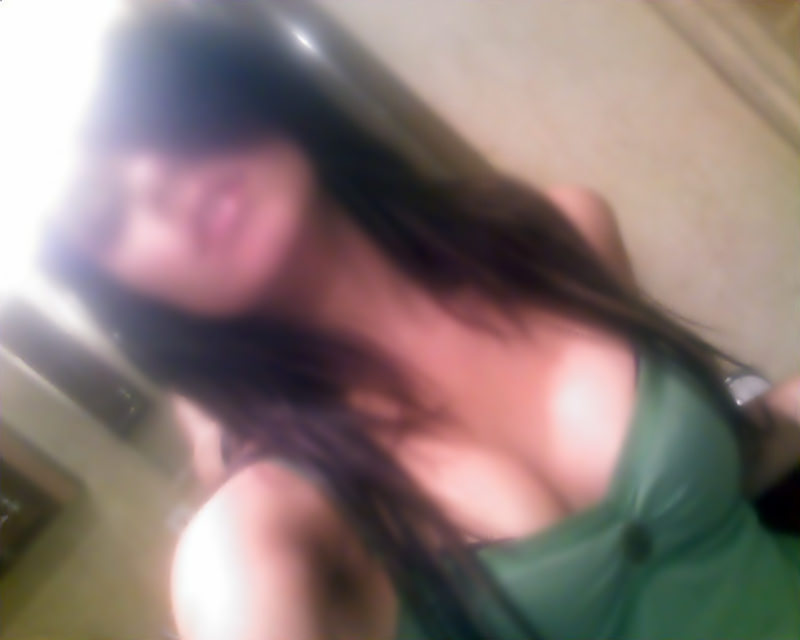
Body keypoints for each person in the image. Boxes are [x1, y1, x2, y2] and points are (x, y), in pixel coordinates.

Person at [45, 8, 800, 640]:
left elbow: (713, 494)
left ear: (237, 86)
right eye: (103, 213)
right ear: (134, 298)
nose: (152, 180)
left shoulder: (563, 234)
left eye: (152, 119)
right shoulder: (265, 534)